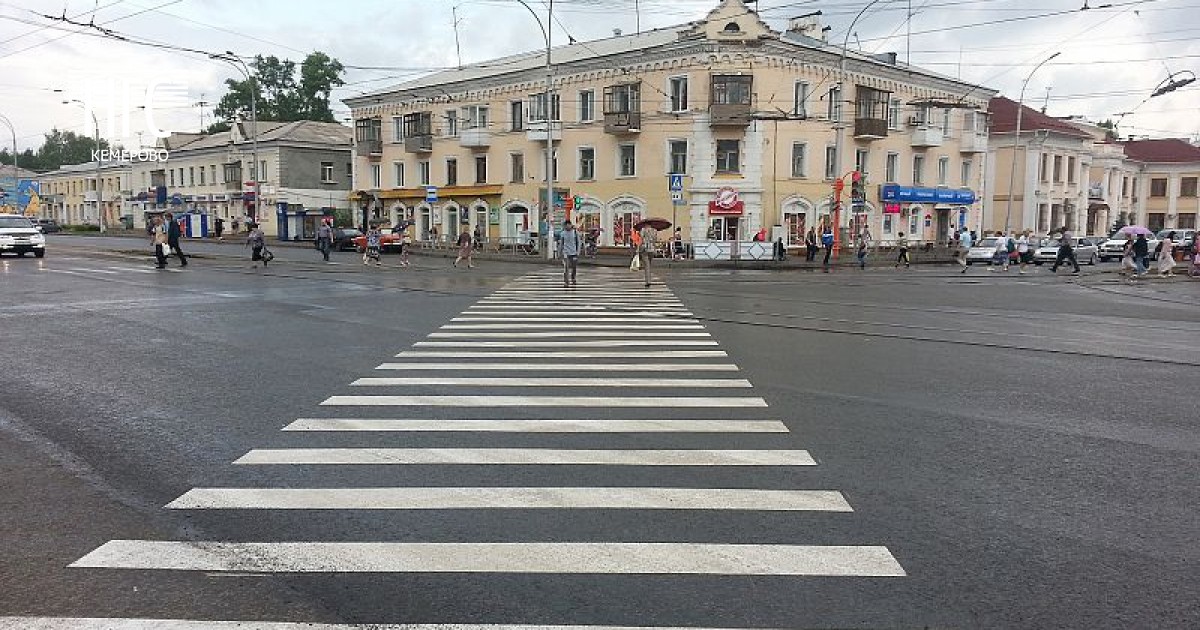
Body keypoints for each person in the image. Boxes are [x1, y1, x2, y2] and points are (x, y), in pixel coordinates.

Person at [558, 219, 581, 287]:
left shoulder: (575, 232)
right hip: (566, 253)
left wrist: (578, 252)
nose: (567, 227)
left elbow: (578, 242)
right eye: (565, 225)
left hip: (574, 253)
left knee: (574, 267)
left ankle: (573, 277)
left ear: (570, 225)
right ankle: (566, 281)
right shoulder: (563, 233)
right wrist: (559, 253)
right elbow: (561, 244)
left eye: (568, 225)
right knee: (566, 267)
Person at [637, 223, 657, 287]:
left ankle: (648, 281)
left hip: (645, 249)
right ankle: (649, 280)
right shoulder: (654, 231)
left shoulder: (643, 230)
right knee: (649, 265)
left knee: (646, 265)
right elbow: (654, 240)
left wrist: (638, 249)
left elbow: (641, 239)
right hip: (652, 249)